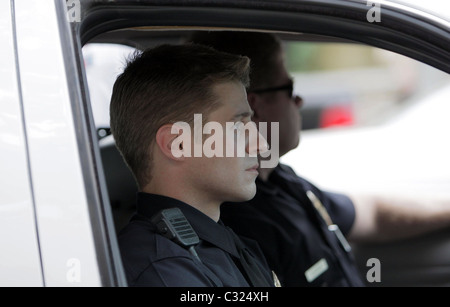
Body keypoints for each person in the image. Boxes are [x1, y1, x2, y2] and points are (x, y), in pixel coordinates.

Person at [189, 31, 450, 287]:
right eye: (289, 88)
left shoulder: (281, 179)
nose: (299, 100)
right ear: (254, 106)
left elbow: (371, 214)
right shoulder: (241, 225)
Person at [110, 43, 275, 287]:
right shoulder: (164, 271)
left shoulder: (216, 245)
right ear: (178, 144)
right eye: (238, 127)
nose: (260, 144)